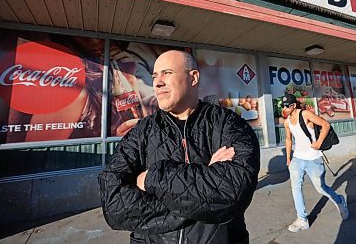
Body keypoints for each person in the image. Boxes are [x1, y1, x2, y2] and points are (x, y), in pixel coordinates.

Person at [98, 50, 260, 243]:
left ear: (193, 77)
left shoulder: (229, 124)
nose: (157, 83)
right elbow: (114, 206)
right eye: (155, 76)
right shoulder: (141, 132)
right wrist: (203, 186)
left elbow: (233, 192)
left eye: (166, 73)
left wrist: (151, 178)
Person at [283, 94, 349, 232]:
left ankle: (340, 200)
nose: (284, 108)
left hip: (313, 158)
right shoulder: (287, 121)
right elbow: (288, 139)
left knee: (321, 188)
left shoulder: (305, 114)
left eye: (286, 105)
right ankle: (302, 219)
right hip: (297, 158)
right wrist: (288, 158)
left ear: (293, 105)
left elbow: (325, 125)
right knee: (295, 188)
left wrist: (318, 143)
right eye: (282, 106)